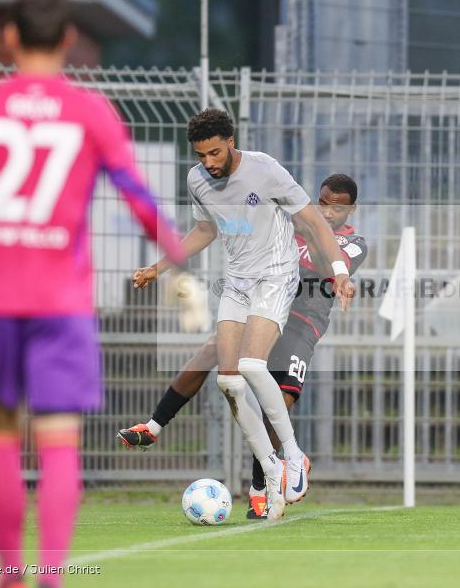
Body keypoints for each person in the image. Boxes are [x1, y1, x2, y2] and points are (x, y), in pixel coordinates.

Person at [0, 0, 189, 587]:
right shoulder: (89, 110)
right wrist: (180, 266)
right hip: (61, 303)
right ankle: (50, 577)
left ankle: (10, 575)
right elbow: (136, 194)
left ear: (11, 36)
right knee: (58, 443)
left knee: (3, 436)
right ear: (67, 40)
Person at [140, 109, 355, 520]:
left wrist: (340, 273)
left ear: (231, 142)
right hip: (237, 281)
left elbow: (313, 221)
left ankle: (293, 456)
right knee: (228, 380)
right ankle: (270, 470)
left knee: (253, 366)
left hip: (275, 277)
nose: (209, 162)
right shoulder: (197, 180)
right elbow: (205, 230)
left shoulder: (265, 170)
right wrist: (159, 267)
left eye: (215, 153)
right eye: (201, 155)